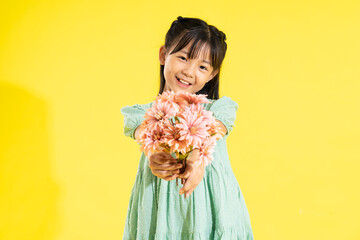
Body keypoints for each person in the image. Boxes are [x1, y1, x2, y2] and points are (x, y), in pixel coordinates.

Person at [120, 16, 254, 239]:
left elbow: (214, 130)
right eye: (183, 58)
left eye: (202, 66)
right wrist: (156, 156)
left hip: (214, 214)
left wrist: (196, 158)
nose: (189, 72)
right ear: (164, 55)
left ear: (212, 74)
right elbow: (145, 137)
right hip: (161, 215)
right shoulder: (142, 114)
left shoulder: (220, 109)